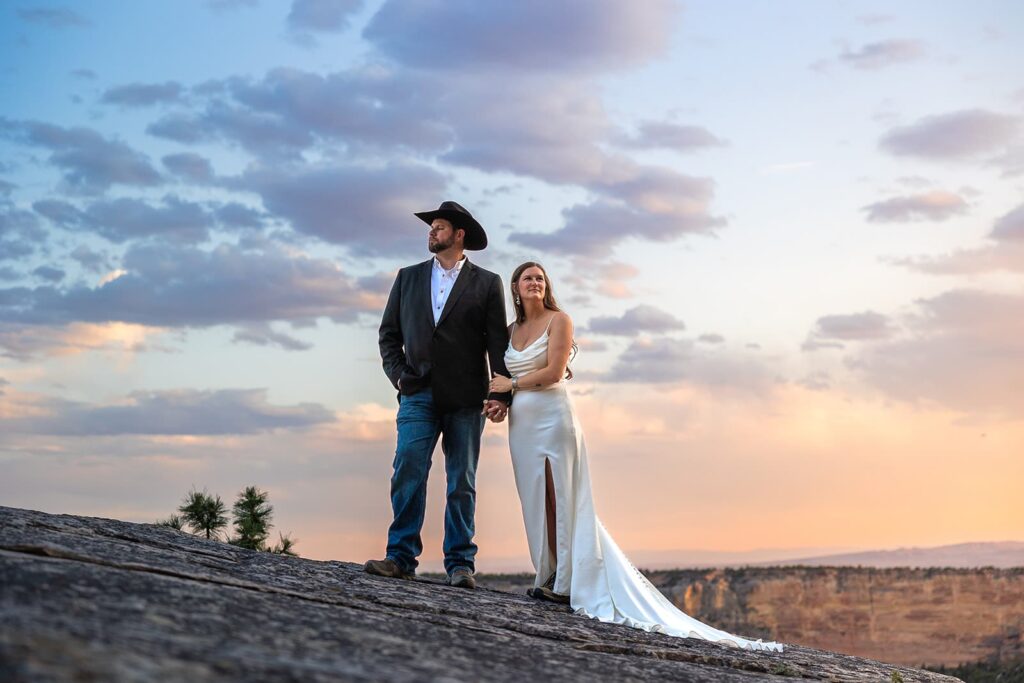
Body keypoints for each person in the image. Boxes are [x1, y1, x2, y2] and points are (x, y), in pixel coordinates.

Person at [488, 262, 784, 652]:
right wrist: (502, 400)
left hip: (554, 418)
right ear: (515, 286)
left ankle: (568, 584)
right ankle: (550, 573)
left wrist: (513, 384)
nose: (535, 283)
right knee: (536, 498)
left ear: (546, 287)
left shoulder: (560, 320)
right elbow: (504, 378)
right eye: (528, 278)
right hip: (522, 425)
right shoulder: (510, 332)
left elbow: (556, 371)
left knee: (562, 493)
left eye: (541, 278)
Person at [365, 201, 512, 590]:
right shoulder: (408, 277)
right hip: (417, 393)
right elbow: (388, 335)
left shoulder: (487, 283)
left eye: (440, 227)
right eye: (431, 227)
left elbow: (497, 343)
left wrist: (502, 395)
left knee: (461, 479)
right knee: (408, 468)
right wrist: (399, 377)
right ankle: (400, 557)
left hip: (468, 398)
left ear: (459, 234)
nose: (431, 232)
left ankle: (460, 564)